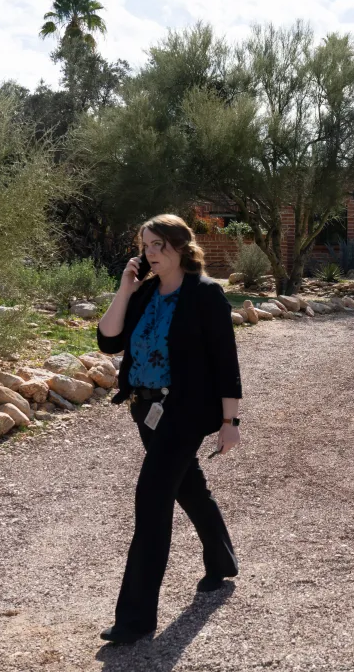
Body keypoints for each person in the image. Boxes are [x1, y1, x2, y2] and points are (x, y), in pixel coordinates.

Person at [95, 214, 243, 644]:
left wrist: (229, 421)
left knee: (152, 501)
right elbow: (108, 339)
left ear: (181, 246)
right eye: (145, 246)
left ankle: (135, 619)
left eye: (158, 244)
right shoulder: (143, 294)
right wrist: (125, 286)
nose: (150, 253)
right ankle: (222, 560)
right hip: (145, 410)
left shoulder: (206, 295)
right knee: (188, 486)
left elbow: (225, 363)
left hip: (185, 411)